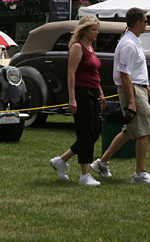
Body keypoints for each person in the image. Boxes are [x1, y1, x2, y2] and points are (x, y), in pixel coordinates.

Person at [91, 8, 150, 184]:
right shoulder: (129, 44)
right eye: (146, 21)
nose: (147, 24)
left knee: (130, 131)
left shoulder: (133, 42)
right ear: (138, 23)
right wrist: (132, 101)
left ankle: (102, 162)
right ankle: (140, 173)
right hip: (132, 90)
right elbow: (125, 74)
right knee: (145, 130)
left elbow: (137, 73)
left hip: (138, 88)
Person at [49, 16, 105, 186]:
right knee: (86, 132)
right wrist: (72, 98)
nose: (97, 33)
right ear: (85, 30)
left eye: (97, 29)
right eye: (94, 30)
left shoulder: (91, 47)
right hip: (81, 92)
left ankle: (61, 160)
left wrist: (101, 92)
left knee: (95, 131)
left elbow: (94, 73)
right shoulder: (77, 47)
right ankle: (84, 174)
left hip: (93, 91)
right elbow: (71, 73)